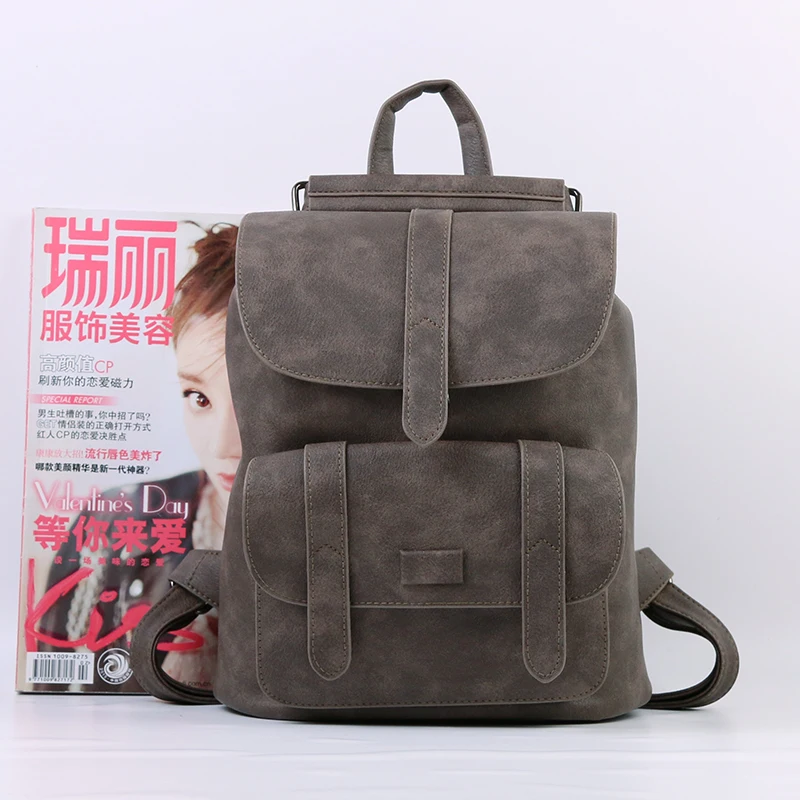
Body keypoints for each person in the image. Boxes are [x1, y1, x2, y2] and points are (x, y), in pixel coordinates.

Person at [34, 222, 240, 692]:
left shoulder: (362, 528)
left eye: (252, 401)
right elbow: (58, 690)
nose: (222, 445)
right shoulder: (113, 523)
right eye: (199, 398)